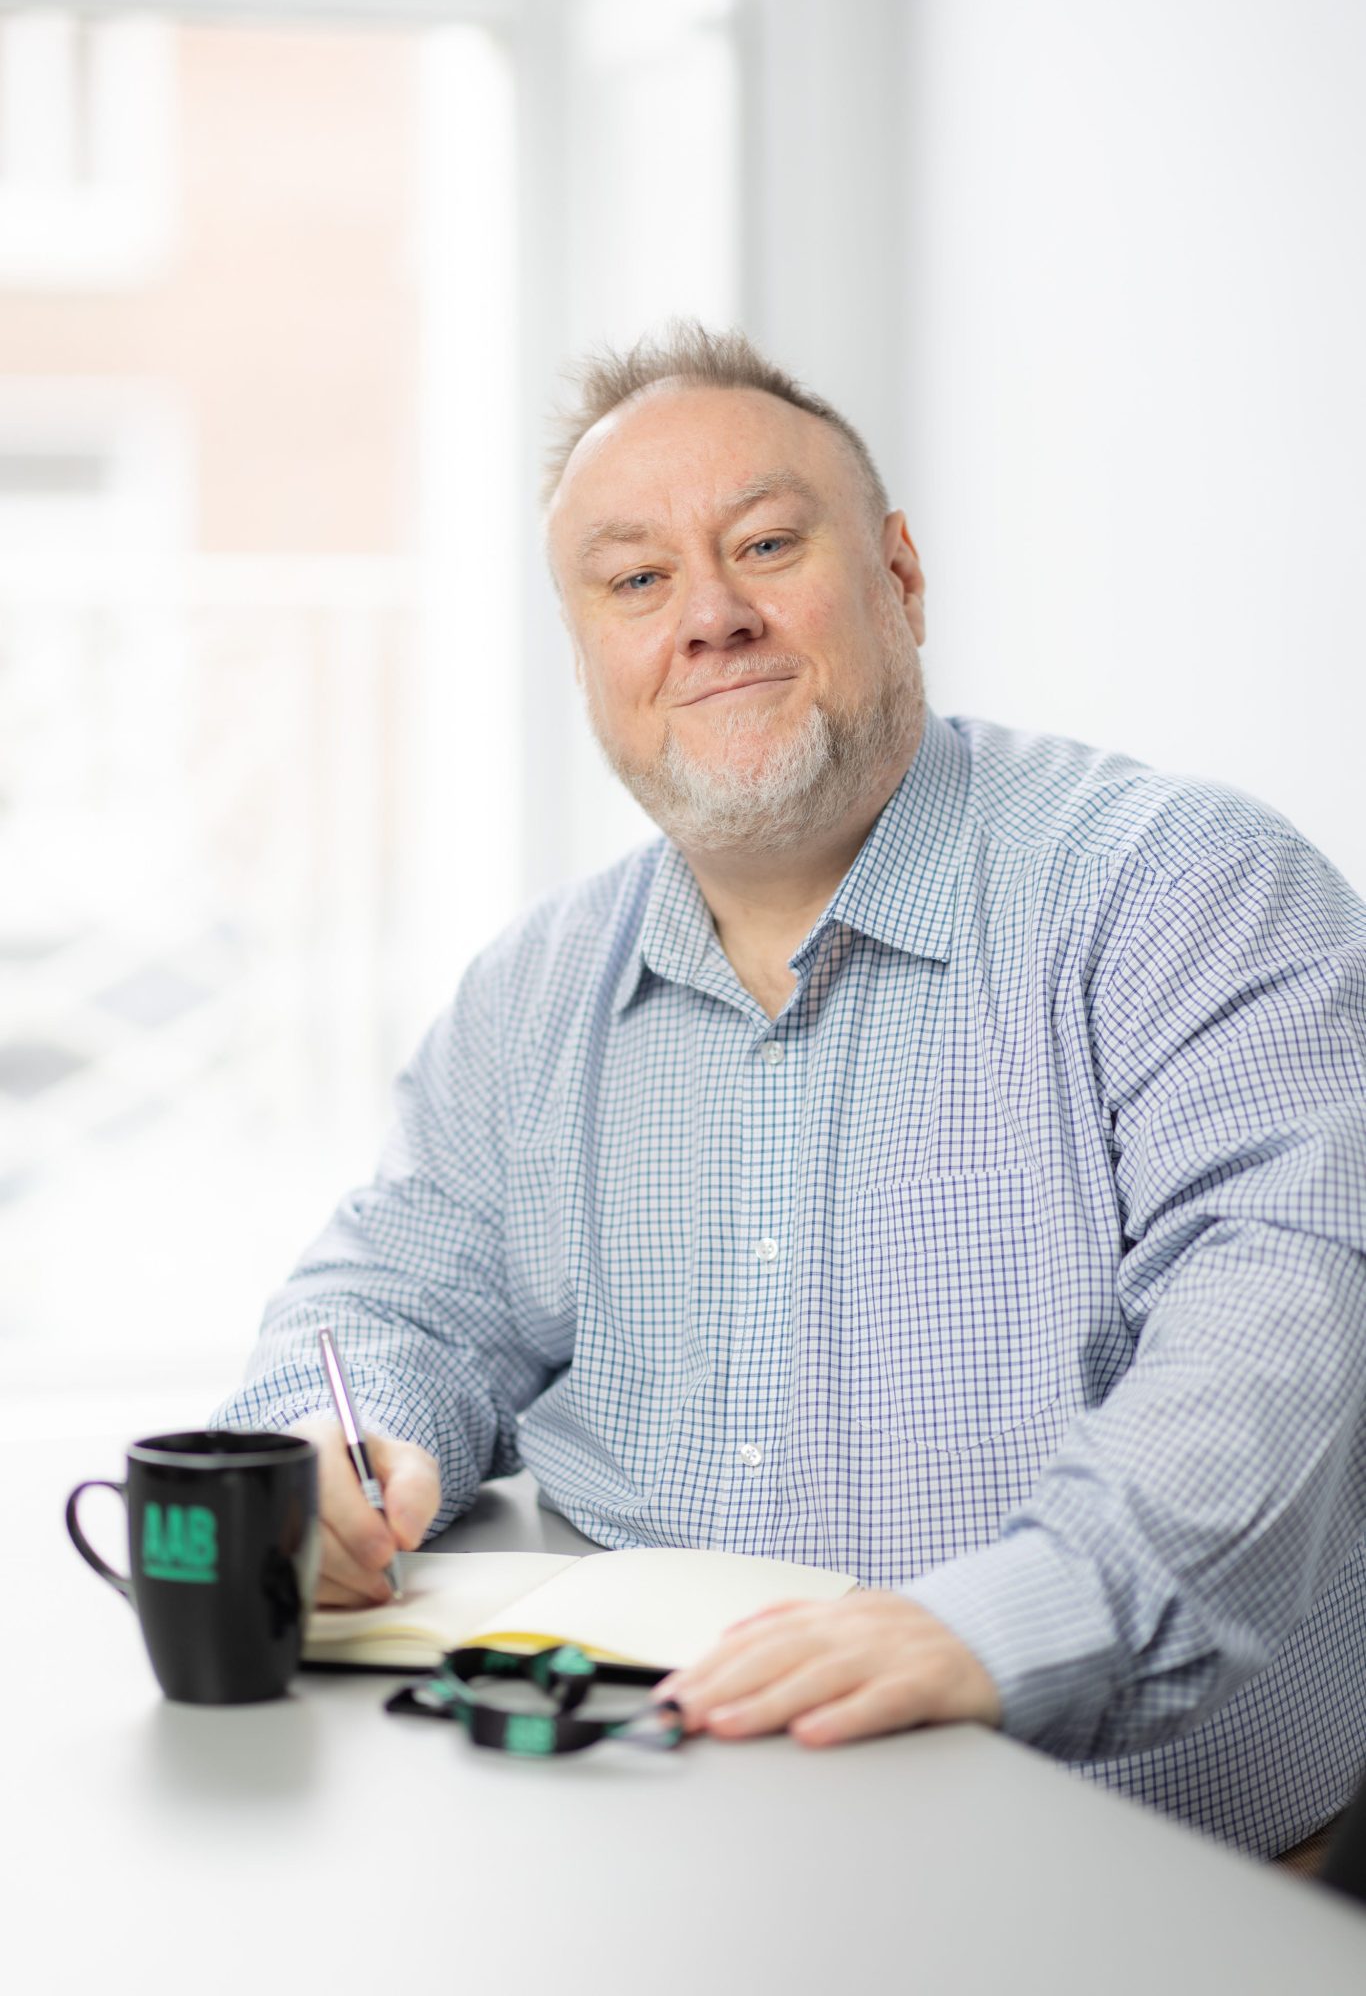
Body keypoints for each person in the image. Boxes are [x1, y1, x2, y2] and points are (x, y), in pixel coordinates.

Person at [213, 320, 1366, 1861]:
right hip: (644, 1838)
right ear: (589, 664)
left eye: (764, 544)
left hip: (1125, 1859)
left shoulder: (1186, 891)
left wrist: (998, 1624)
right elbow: (396, 1294)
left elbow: (1281, 1320)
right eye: (634, 582)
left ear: (898, 576)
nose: (708, 618)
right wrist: (339, 1451)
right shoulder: (530, 992)